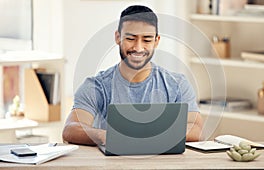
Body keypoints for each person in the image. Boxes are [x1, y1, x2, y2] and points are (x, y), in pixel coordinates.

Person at [62, 5, 203, 146]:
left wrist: (141, 136)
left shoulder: (177, 84)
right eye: (130, 38)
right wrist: (106, 136)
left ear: (156, 41)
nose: (138, 48)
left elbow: (196, 129)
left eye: (147, 40)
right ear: (118, 37)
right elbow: (70, 129)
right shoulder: (96, 86)